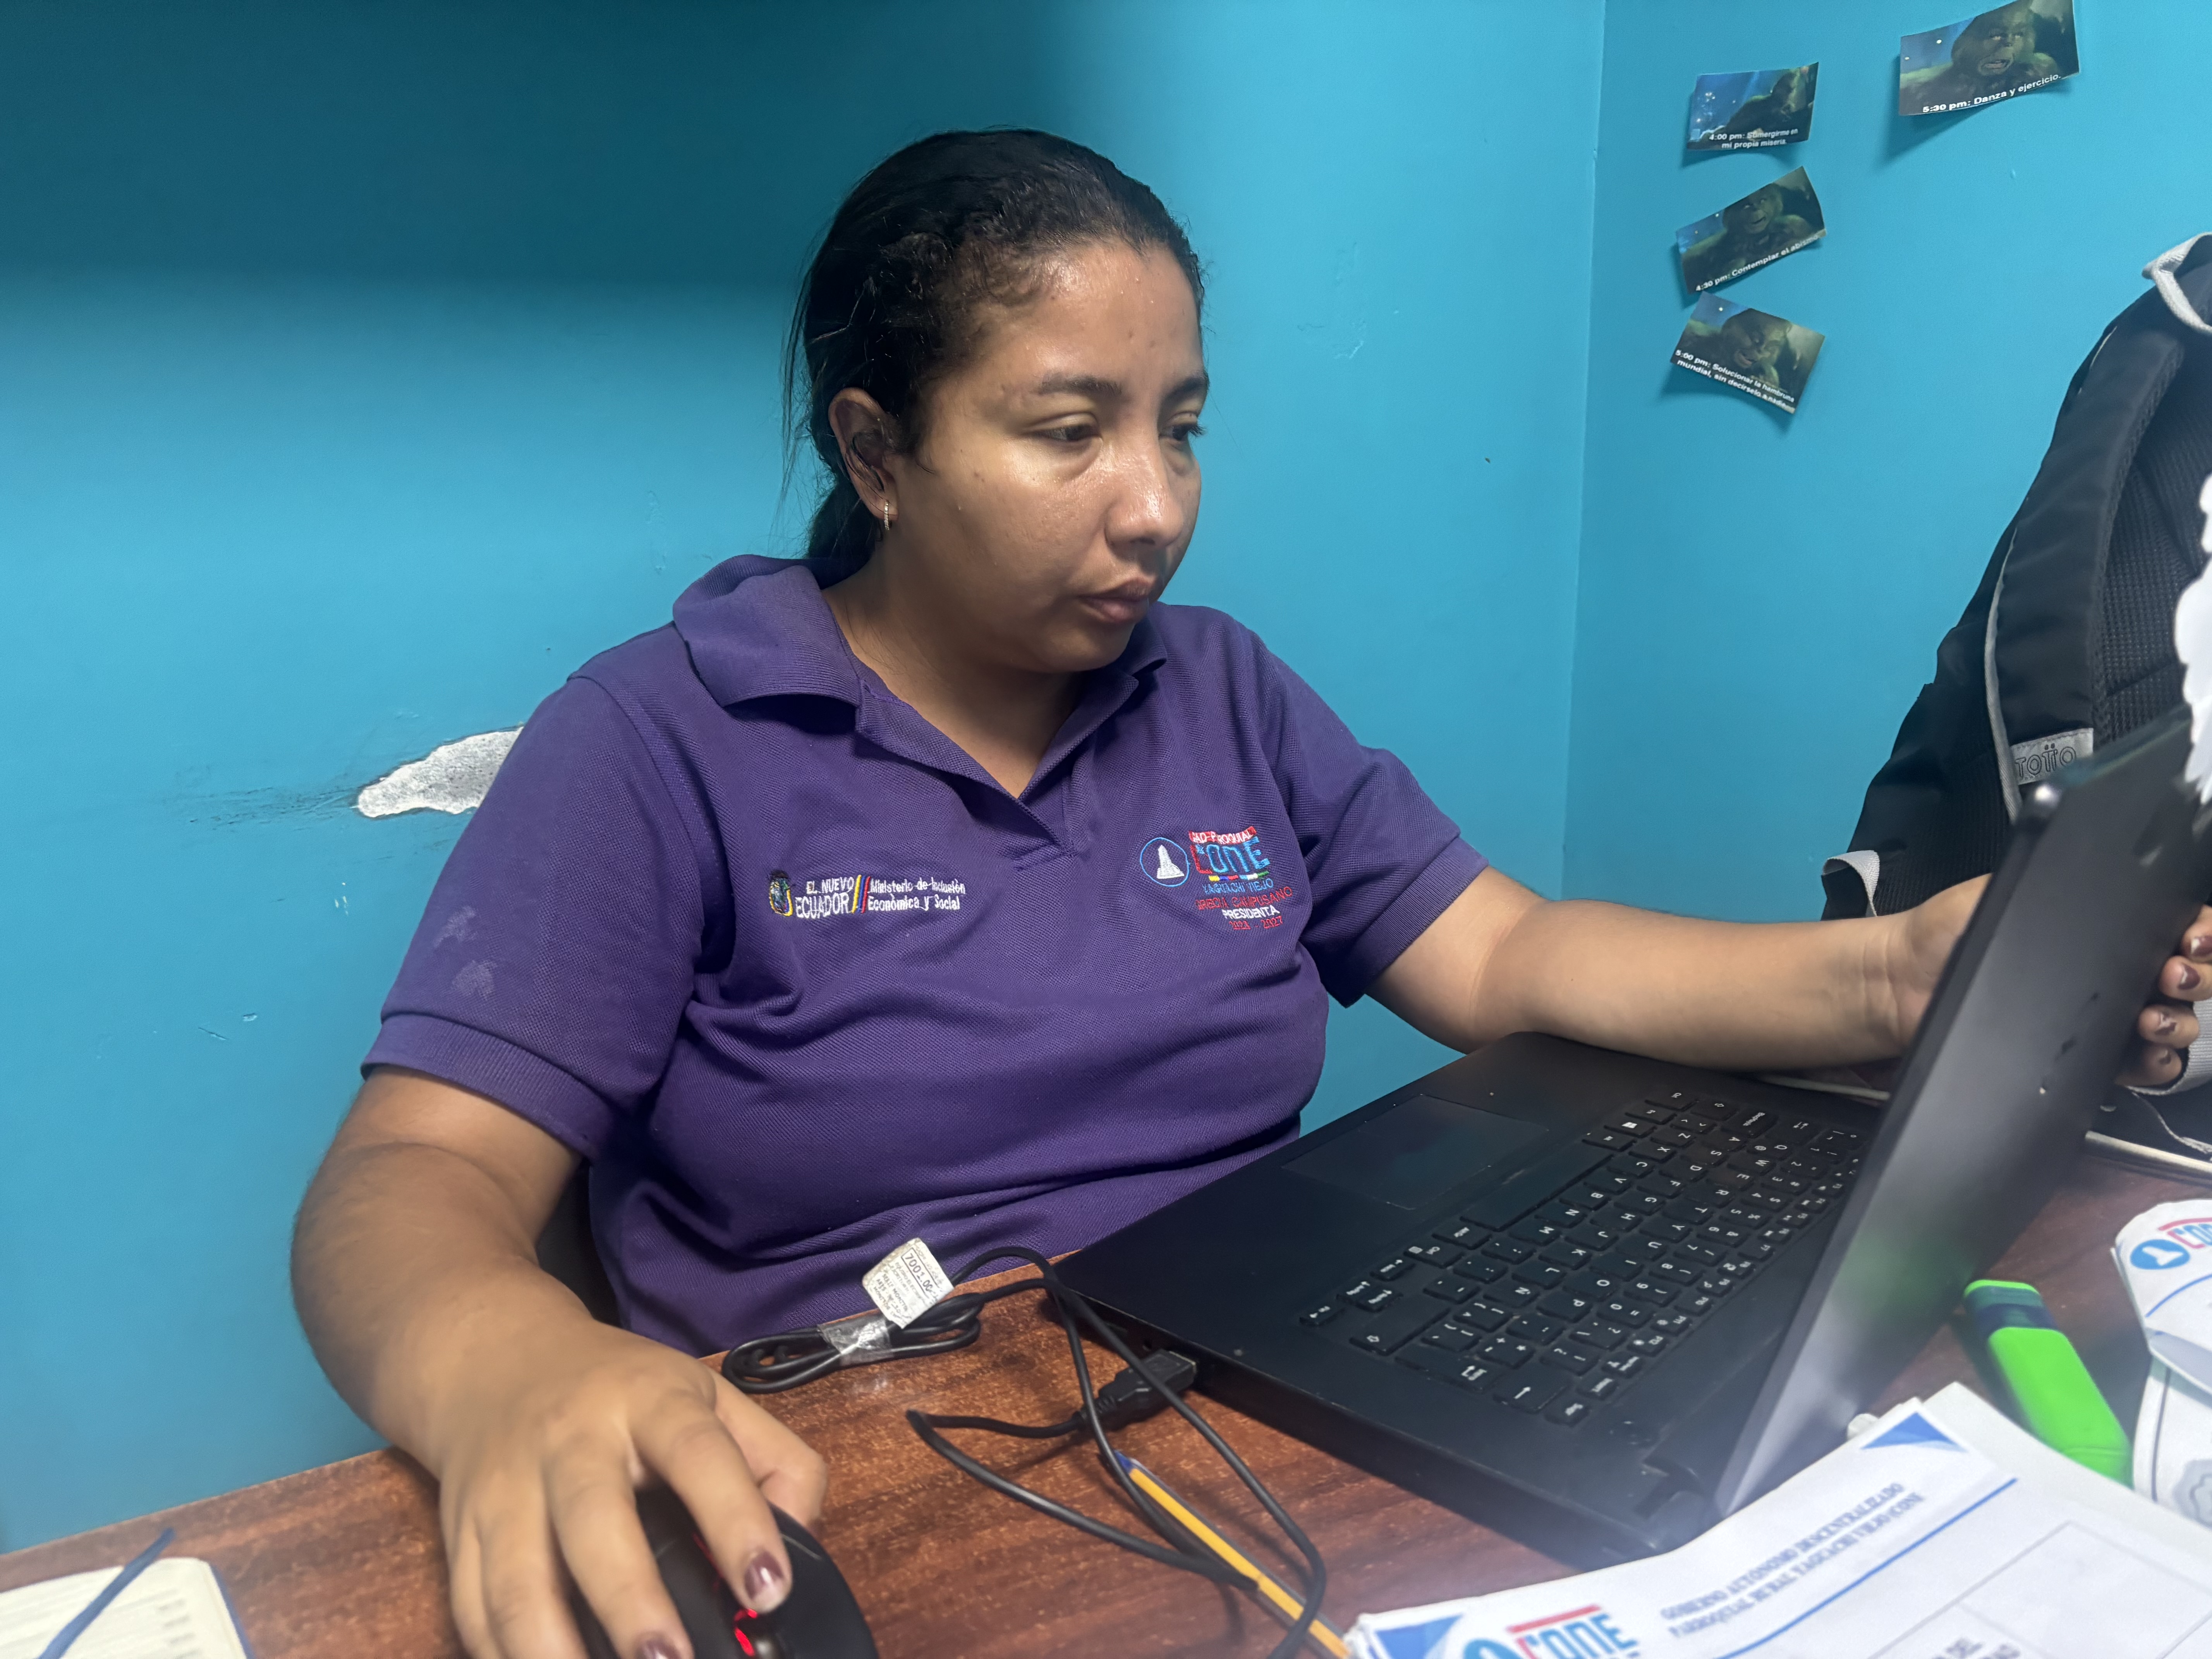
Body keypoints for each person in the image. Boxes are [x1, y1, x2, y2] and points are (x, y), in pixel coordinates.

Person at [291, 129, 2211, 1659]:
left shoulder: (1213, 689)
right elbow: (412, 1177)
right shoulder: (662, 735)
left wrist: (1895, 972)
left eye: (1180, 423)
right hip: (867, 1480)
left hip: (1270, 1402)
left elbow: (1503, 950)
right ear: (875, 448)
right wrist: (503, 1363)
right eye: (1067, 431)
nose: (1153, 503)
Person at [1902, 3, 2061, 116]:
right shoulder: (1919, 91)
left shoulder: (2039, 71)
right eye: (1996, 35)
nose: (2009, 43)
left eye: (2019, 34)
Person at [1680, 184, 1817, 292]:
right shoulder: (1714, 252)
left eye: (1762, 201)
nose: (1756, 209)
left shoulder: (1792, 226)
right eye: (1746, 206)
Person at [1709, 65, 1813, 144]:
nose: (1789, 93)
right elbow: (1732, 130)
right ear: (1777, 87)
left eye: (1791, 90)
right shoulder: (1758, 104)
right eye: (1785, 88)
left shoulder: (1791, 112)